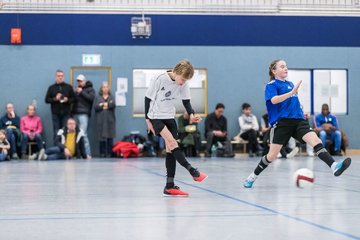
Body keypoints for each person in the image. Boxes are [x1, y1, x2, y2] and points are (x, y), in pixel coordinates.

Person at [243, 59, 351, 188]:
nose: (285, 68)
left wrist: (301, 112)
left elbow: (293, 103)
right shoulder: (271, 85)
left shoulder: (290, 84)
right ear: (274, 70)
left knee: (316, 141)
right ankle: (252, 177)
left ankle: (334, 166)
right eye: (282, 67)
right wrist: (291, 93)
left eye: (286, 66)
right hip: (281, 123)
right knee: (271, 156)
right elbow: (274, 100)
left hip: (299, 121)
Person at [145, 59, 207, 197]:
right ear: (176, 72)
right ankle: (193, 172)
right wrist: (147, 120)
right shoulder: (159, 78)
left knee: (170, 150)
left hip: (170, 117)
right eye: (183, 79)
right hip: (156, 117)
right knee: (173, 143)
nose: (183, 82)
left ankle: (169, 186)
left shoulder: (183, 83)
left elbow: (186, 101)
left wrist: (191, 115)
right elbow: (147, 98)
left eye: (186, 80)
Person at [45, 69, 75, 142]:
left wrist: (67, 100)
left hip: (66, 113)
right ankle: (57, 149)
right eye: (58, 76)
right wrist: (55, 99)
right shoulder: (51, 88)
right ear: (55, 77)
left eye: (62, 76)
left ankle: (65, 150)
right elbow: (46, 100)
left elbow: (74, 99)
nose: (60, 77)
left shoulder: (69, 87)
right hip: (55, 113)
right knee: (56, 131)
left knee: (65, 131)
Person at [73, 74, 95, 159]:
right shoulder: (76, 90)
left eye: (81, 81)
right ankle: (77, 154)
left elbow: (91, 98)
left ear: (85, 81)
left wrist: (81, 92)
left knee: (83, 134)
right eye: (78, 81)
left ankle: (87, 154)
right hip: (75, 113)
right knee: (75, 134)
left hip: (84, 114)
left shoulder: (90, 89)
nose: (79, 82)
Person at [94, 82, 116, 158]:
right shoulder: (98, 97)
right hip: (100, 120)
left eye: (107, 87)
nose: (105, 88)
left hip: (110, 120)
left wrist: (103, 105)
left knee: (110, 136)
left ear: (108, 88)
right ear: (101, 88)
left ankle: (110, 153)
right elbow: (96, 107)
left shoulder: (111, 97)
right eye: (104, 87)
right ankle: (102, 153)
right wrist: (105, 105)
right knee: (101, 137)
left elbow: (113, 105)